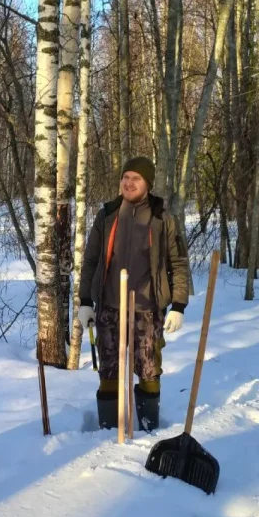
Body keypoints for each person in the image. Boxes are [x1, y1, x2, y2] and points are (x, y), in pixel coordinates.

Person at [77, 157, 190, 432]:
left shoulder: (162, 218)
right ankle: (108, 430)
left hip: (147, 308)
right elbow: (90, 260)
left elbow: (178, 263)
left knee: (149, 370)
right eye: (125, 177)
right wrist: (85, 301)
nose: (128, 183)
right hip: (109, 307)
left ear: (147, 184)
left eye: (136, 178)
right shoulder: (107, 215)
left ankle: (149, 428)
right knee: (109, 370)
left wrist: (178, 305)